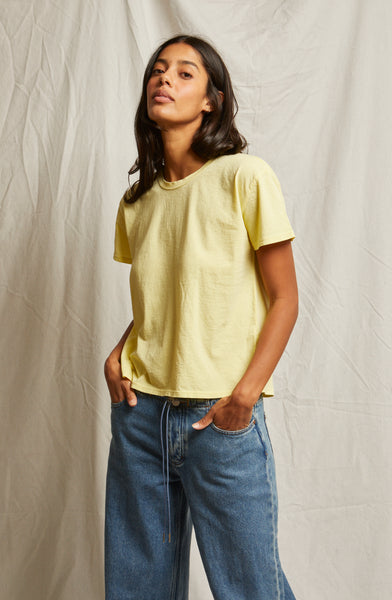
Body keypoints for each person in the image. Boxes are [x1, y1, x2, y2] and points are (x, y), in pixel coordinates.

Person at [104, 34, 298, 600]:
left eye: (185, 73)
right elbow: (165, 298)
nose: (164, 78)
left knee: (250, 589)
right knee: (137, 589)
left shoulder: (244, 176)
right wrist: (118, 353)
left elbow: (285, 298)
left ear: (212, 100)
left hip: (219, 419)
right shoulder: (137, 201)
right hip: (140, 416)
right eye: (158, 70)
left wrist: (244, 397)